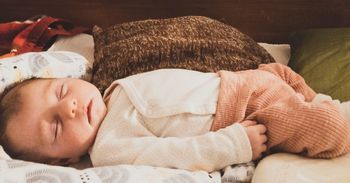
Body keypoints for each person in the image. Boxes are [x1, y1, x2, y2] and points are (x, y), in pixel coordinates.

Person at [0, 63, 350, 172]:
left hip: (241, 79)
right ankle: (327, 115)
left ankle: (317, 102)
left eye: (62, 92)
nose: (70, 108)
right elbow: (173, 156)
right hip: (244, 113)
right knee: (329, 129)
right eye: (57, 125)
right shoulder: (110, 147)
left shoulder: (113, 91)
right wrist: (233, 144)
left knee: (286, 78)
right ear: (66, 159)